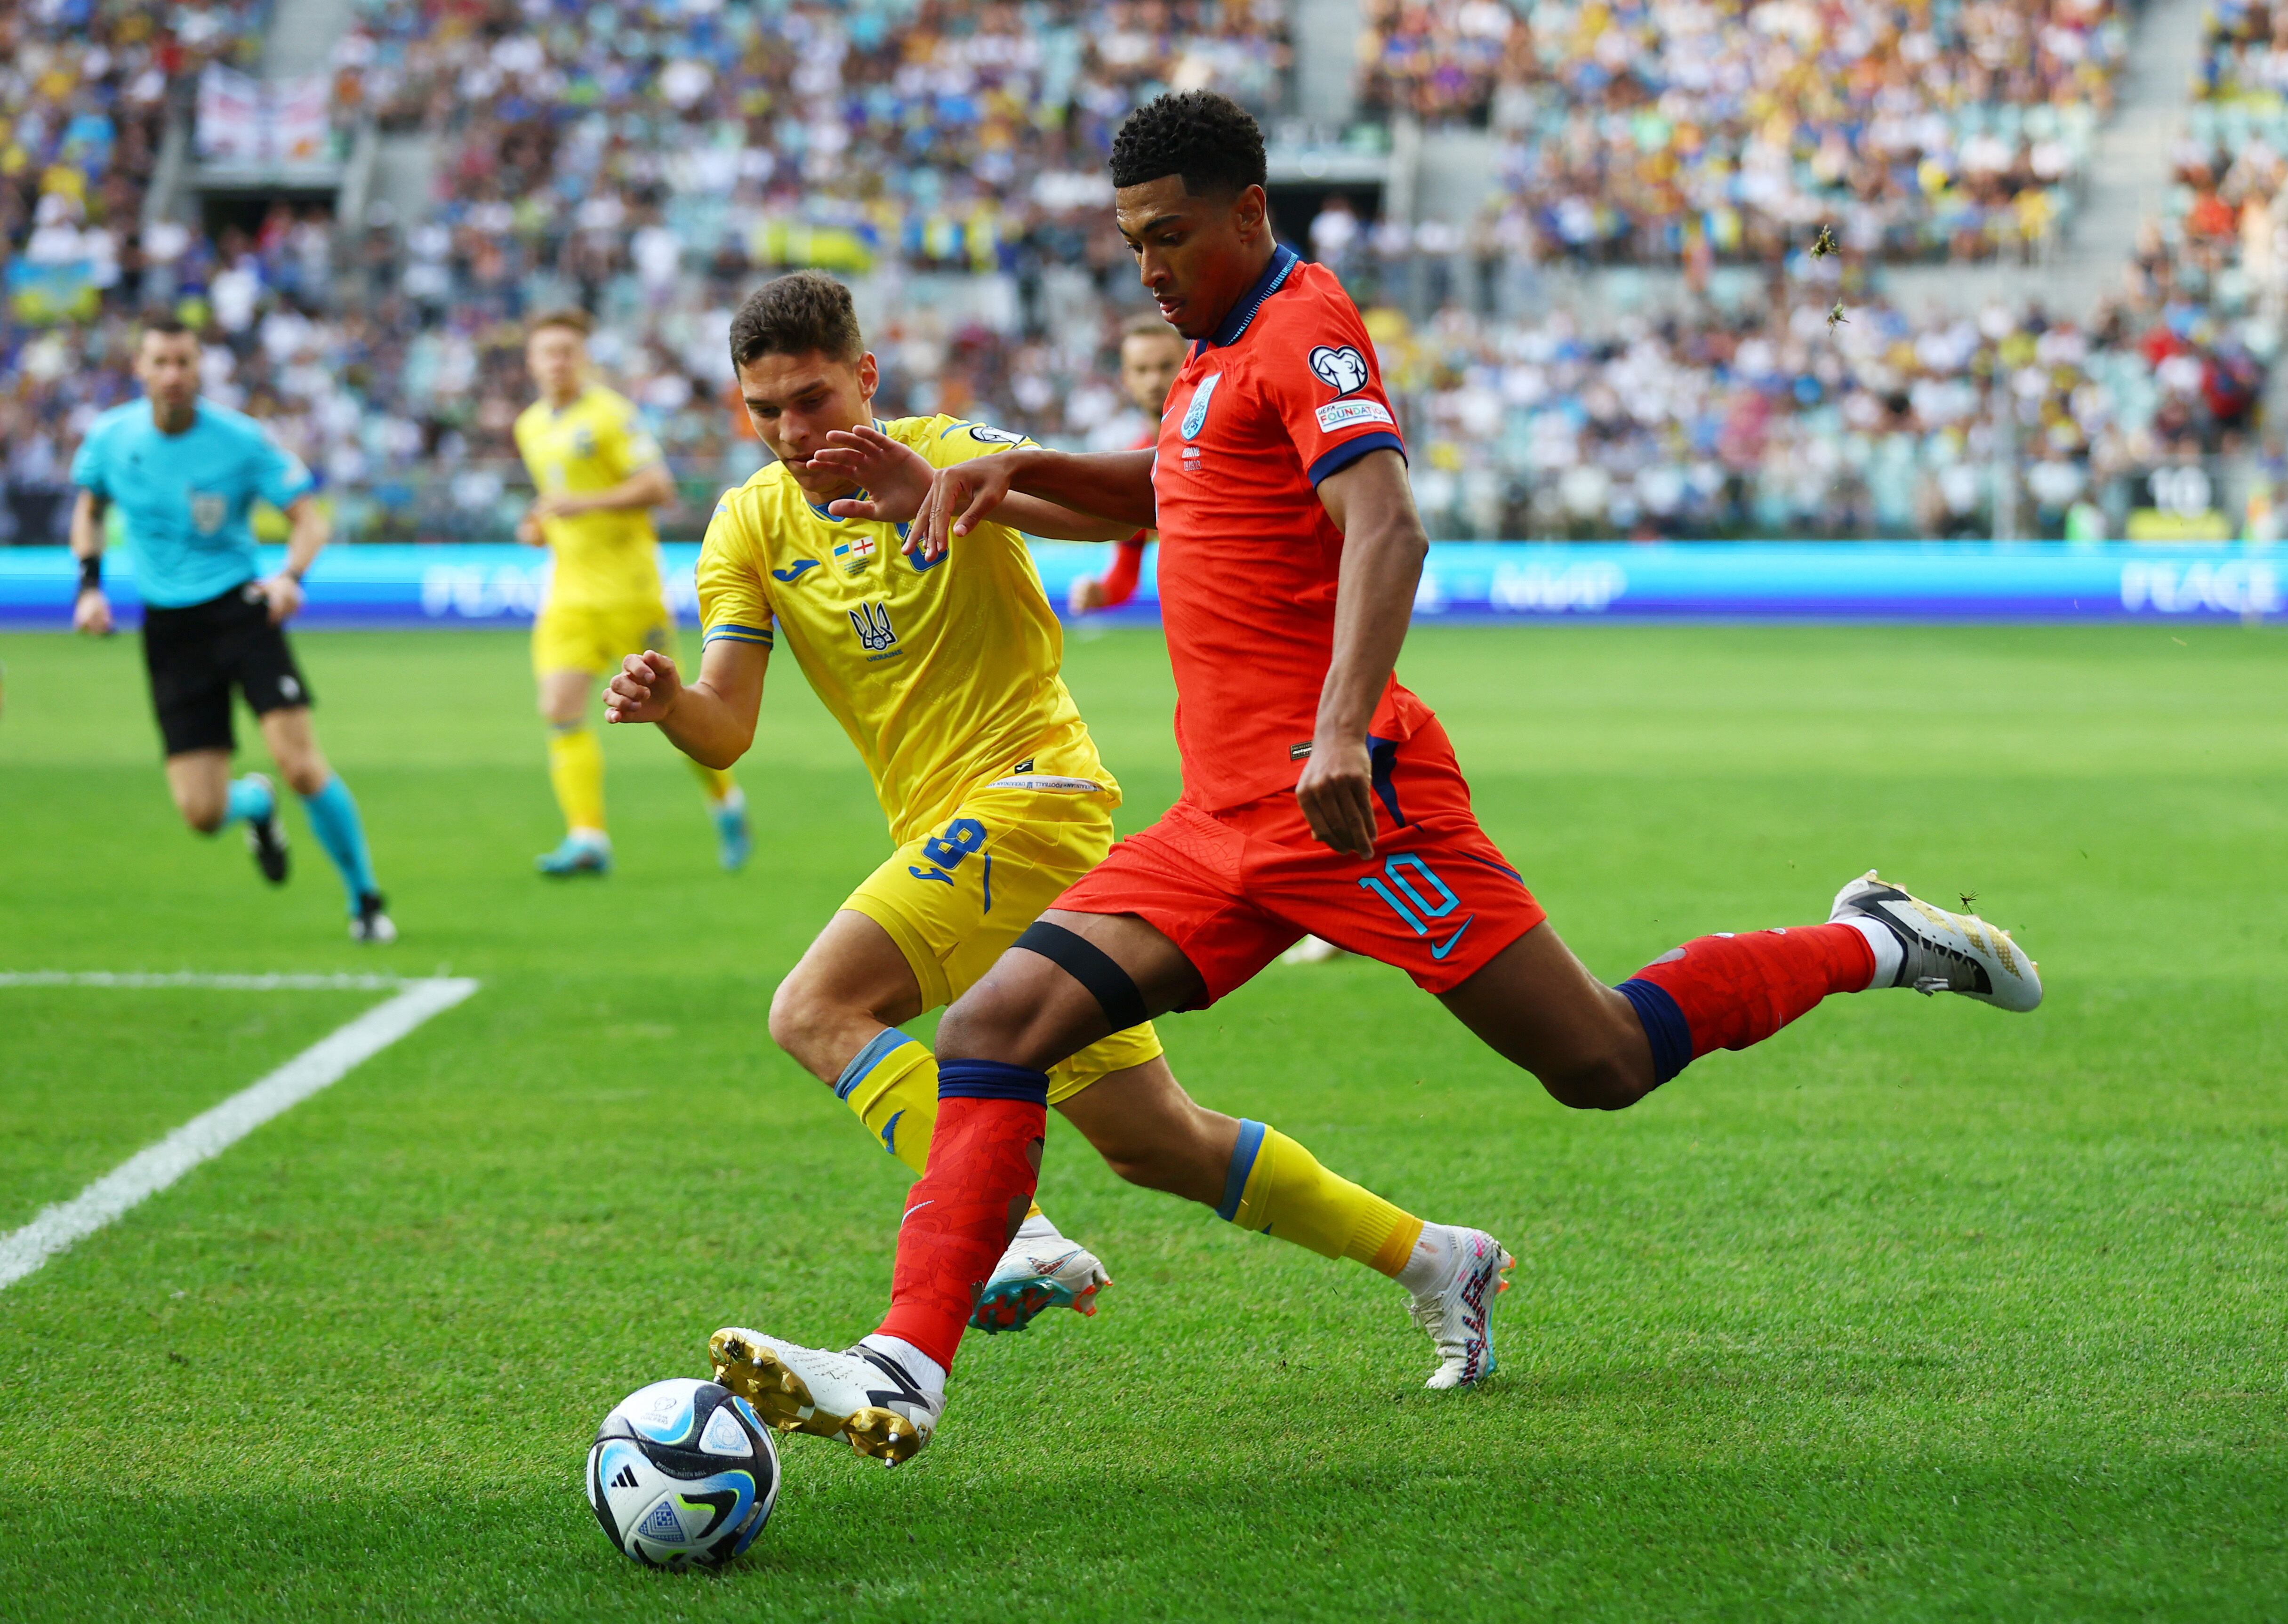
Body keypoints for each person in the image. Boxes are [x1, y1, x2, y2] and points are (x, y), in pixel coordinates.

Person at [705, 92, 2045, 1465]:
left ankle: (1872, 938)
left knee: (1599, 1057)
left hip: (1352, 800)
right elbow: (1174, 495)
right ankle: (903, 1369)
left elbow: (1387, 525)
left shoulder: (1303, 330)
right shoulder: (1209, 351)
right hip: (1222, 820)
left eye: (1171, 238)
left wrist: (1342, 727)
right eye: (1132, 244)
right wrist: (1008, 477)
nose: (1151, 268)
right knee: (997, 1031)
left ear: (1249, 214)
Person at [602, 271, 1507, 1382]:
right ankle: (1438, 1259)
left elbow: (1140, 502)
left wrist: (947, 482)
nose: (793, 429)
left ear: (865, 377)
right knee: (1155, 1140)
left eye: (813, 397)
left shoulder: (944, 444)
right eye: (766, 408)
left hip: (1032, 796)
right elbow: (725, 724)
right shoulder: (745, 522)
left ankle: (1010, 1223)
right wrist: (665, 708)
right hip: (951, 834)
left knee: (817, 1006)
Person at [69, 317, 394, 942]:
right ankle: (256, 805)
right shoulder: (111, 438)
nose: (173, 375)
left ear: (200, 368)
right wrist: (88, 587)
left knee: (300, 763)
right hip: (169, 629)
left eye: (184, 362)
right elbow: (89, 508)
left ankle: (366, 899)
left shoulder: (241, 441)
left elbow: (309, 518)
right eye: (160, 362)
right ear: (139, 369)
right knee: (201, 812)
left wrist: (291, 576)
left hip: (241, 613)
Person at [513, 308, 750, 877]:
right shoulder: (529, 426)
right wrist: (540, 525)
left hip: (629, 592)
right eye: (547, 352)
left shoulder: (612, 416)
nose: (557, 362)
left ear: (584, 357)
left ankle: (725, 801)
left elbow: (658, 486)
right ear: (531, 361)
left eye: (567, 351)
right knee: (559, 709)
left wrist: (581, 506)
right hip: (568, 594)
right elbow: (560, 500)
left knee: (674, 713)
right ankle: (588, 837)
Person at [1066, 313, 1184, 617]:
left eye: (1165, 367)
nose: (1154, 380)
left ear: (1188, 365)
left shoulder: (1225, 437)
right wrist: (1100, 594)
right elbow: (1126, 573)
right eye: (1142, 370)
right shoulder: (1137, 464)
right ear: (1126, 379)